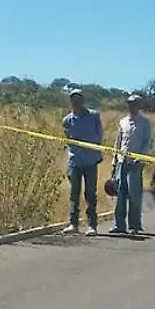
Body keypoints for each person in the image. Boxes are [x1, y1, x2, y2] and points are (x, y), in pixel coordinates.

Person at [61, 88, 104, 235]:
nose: (76, 102)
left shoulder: (93, 116)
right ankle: (73, 224)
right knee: (74, 193)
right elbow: (67, 139)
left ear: (83, 101)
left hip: (91, 161)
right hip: (75, 162)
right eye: (73, 100)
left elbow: (99, 136)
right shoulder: (67, 120)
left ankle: (92, 225)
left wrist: (92, 148)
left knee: (90, 193)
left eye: (78, 99)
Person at [110, 94, 153, 235]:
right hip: (121, 161)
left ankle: (134, 224)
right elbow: (118, 141)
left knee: (134, 194)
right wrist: (114, 160)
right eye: (129, 103)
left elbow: (148, 142)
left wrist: (141, 157)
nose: (131, 106)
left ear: (139, 105)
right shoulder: (123, 121)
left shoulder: (145, 122)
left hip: (135, 162)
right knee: (120, 193)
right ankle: (119, 225)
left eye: (134, 103)